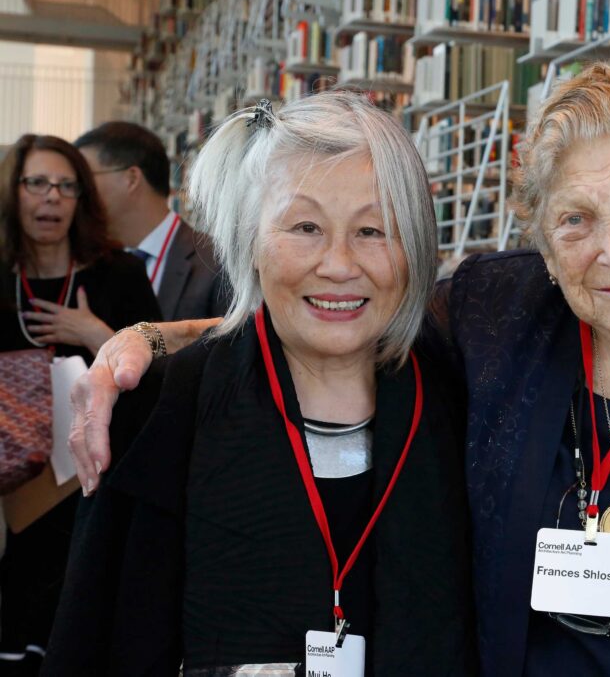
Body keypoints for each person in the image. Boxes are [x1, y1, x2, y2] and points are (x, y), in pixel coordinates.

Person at [62, 65, 610, 676]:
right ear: (540, 237)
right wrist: (146, 336)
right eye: (575, 218)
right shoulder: (503, 315)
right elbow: (335, 309)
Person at [43, 94, 476, 675]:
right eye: (305, 227)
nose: (340, 264)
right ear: (249, 239)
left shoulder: (462, 394)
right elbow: (99, 635)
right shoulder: (162, 410)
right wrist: (144, 338)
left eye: (374, 229)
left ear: (417, 248)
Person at [0, 134, 161, 675]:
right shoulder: (4, 279)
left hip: (99, 487)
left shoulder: (119, 275)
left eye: (68, 186)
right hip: (13, 495)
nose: (52, 198)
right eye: (38, 183)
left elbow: (163, 384)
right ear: (13, 192)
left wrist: (97, 335)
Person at [76, 121, 230, 320]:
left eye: (85, 179)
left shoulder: (215, 262)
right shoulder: (93, 264)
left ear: (131, 179)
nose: (78, 192)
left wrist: (96, 336)